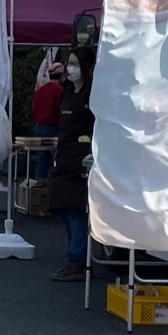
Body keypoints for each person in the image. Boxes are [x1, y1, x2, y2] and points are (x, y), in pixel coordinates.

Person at [49, 47, 96, 283]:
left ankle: (77, 261)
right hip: (64, 155)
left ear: (87, 68)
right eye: (69, 64)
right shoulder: (67, 91)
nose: (71, 68)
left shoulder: (93, 95)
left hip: (82, 159)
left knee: (77, 211)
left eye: (76, 64)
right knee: (63, 208)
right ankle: (74, 257)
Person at [31, 61, 66, 180]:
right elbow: (60, 111)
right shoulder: (60, 91)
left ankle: (38, 187)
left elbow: (34, 108)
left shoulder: (39, 90)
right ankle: (52, 188)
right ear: (62, 75)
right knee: (56, 160)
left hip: (39, 127)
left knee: (42, 159)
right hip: (54, 128)